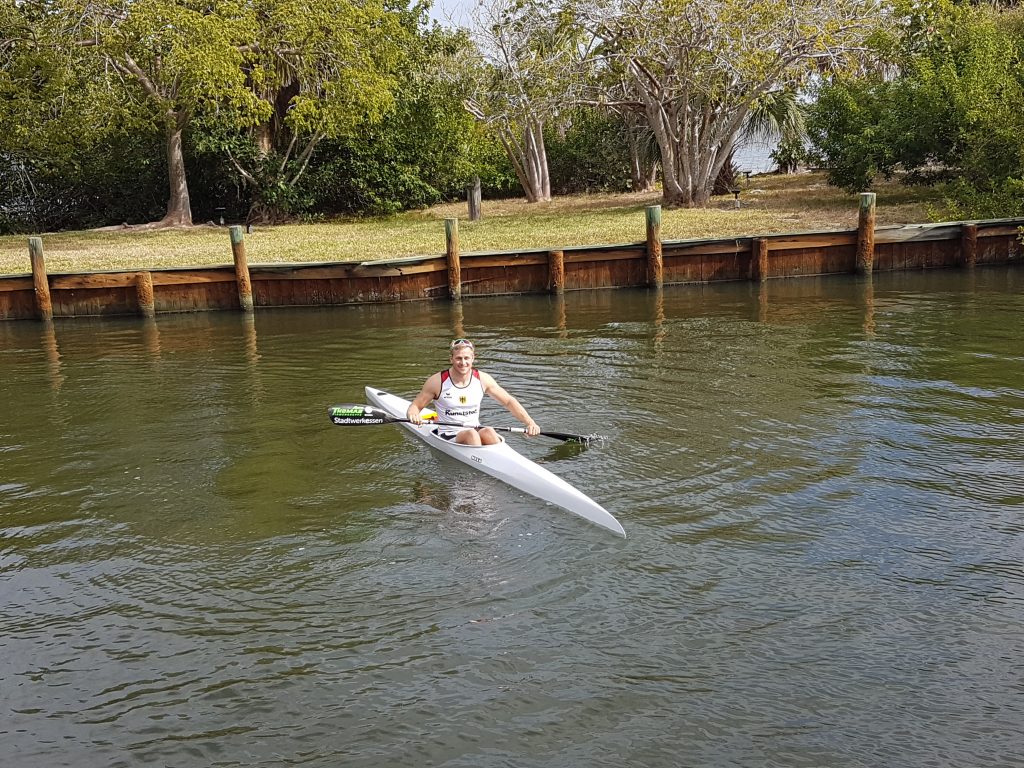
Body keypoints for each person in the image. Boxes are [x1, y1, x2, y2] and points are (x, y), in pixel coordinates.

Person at [406, 338, 540, 445]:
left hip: (475, 429)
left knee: (489, 431)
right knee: (471, 434)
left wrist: (530, 423)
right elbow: (415, 406)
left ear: (473, 358)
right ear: (451, 359)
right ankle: (476, 479)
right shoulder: (437, 382)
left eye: (466, 358)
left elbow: (509, 401)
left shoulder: (483, 379)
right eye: (458, 358)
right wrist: (414, 415)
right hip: (449, 434)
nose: (463, 363)